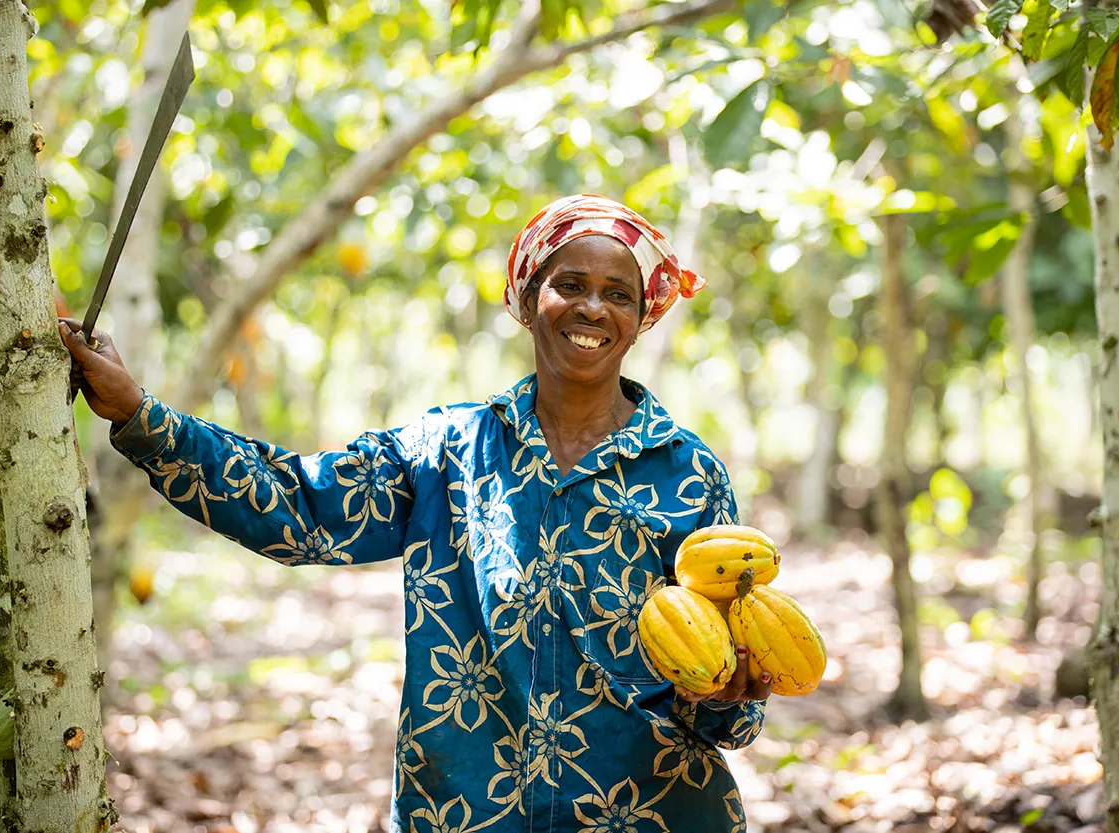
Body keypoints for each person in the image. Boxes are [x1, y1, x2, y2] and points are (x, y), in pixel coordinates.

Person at [61, 194, 771, 832]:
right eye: (570, 284)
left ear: (643, 317)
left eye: (618, 293)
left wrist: (728, 693)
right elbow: (297, 505)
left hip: (651, 812)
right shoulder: (449, 452)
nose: (592, 308)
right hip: (466, 811)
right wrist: (139, 415)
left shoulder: (687, 475)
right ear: (528, 299)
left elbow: (726, 704)